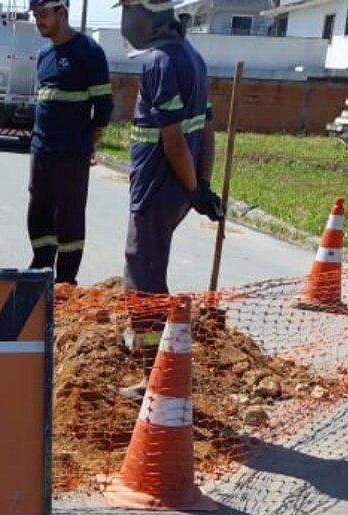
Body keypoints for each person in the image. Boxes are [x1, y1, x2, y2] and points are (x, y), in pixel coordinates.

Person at [114, 0, 224, 397]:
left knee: (142, 281)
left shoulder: (158, 62)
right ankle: (159, 371)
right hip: (174, 188)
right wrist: (201, 185)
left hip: (156, 190)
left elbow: (173, 137)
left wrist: (196, 187)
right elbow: (207, 129)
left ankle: (155, 378)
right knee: (148, 274)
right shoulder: (192, 57)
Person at [26, 0, 113, 286]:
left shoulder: (89, 52)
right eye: (36, 15)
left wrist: (90, 139)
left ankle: (65, 279)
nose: (39, 20)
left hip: (72, 153)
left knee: (69, 214)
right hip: (42, 150)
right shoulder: (43, 55)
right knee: (39, 209)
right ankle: (40, 267)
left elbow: (103, 106)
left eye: (43, 14)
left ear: (61, 13)